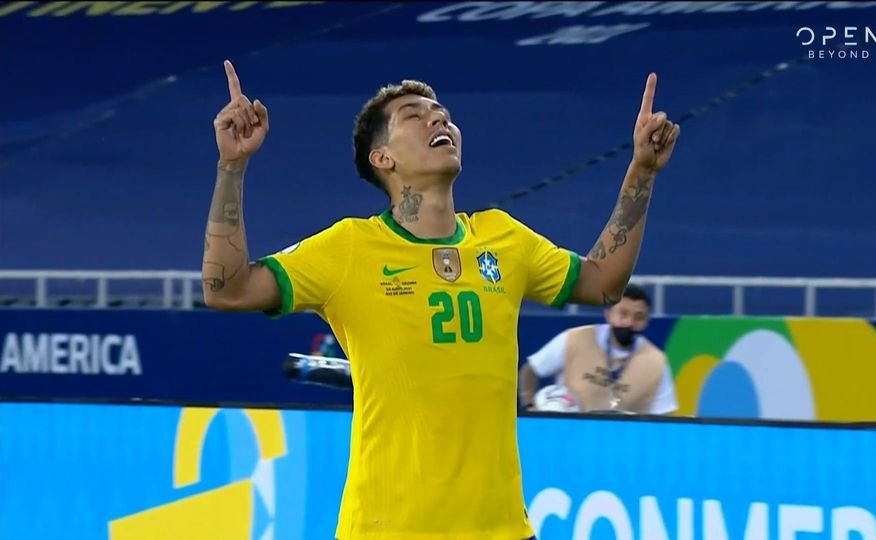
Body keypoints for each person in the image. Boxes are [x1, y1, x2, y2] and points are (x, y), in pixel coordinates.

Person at [201, 59, 680, 539]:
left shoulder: (504, 239)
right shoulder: (347, 249)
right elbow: (227, 289)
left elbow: (602, 282)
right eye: (414, 115)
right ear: (382, 158)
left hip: (502, 530)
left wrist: (641, 171)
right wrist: (232, 166)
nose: (438, 119)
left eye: (443, 114)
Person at [519, 284, 677, 415]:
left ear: (646, 321)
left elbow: (664, 417)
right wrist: (529, 407)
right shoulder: (574, 339)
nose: (629, 322)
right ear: (608, 314)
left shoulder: (657, 363)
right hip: (569, 435)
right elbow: (529, 371)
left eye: (638, 317)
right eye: (623, 314)